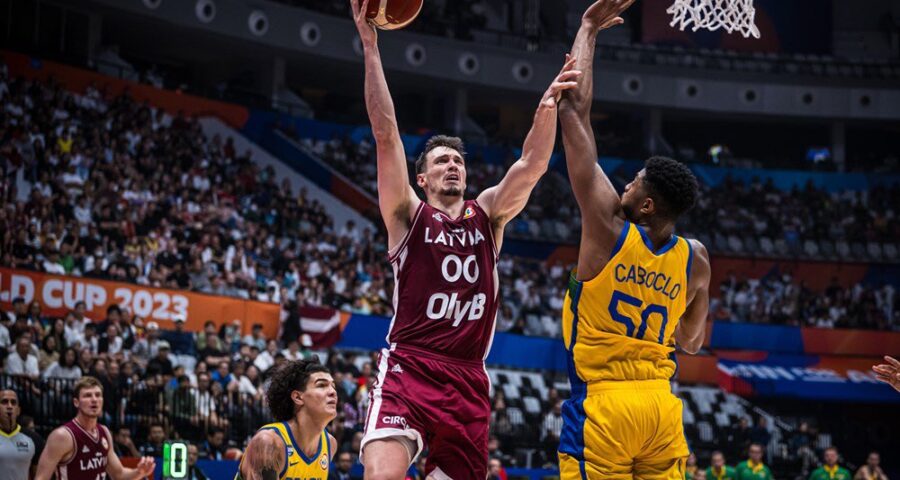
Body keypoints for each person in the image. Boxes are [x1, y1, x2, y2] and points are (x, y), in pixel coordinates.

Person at [350, 0, 580, 476]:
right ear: (423, 178)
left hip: (468, 377)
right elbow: (386, 134)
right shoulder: (405, 215)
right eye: (441, 162)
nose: (453, 166)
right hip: (410, 368)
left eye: (458, 161)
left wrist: (547, 103)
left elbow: (532, 165)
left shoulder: (489, 215)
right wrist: (371, 46)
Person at [555, 1, 710, 478]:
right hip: (662, 411)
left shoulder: (608, 228)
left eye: (635, 181)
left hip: (605, 407)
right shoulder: (696, 259)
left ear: (646, 205)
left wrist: (588, 29)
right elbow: (691, 343)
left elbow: (571, 110)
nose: (626, 183)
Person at [34, 376, 155, 480]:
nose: (94, 400)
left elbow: (119, 475)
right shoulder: (63, 436)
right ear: (76, 402)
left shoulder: (104, 432)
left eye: (98, 395)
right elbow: (41, 478)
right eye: (87, 395)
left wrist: (139, 472)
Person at [237, 359, 337, 480]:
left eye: (333, 386)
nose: (333, 392)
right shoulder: (269, 443)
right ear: (298, 397)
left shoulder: (330, 444)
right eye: (321, 385)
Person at [0, 389, 44, 480]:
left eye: (13, 402)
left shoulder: (34, 439)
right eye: (4, 402)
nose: (9, 406)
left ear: (18, 410)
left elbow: (40, 476)